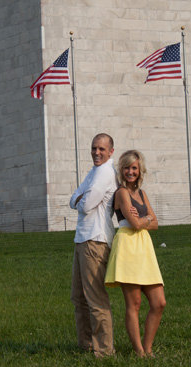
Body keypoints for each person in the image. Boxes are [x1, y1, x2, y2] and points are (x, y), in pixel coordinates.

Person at [104, 150, 166, 357]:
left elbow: (154, 223)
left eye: (134, 168)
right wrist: (146, 219)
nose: (131, 172)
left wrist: (145, 220)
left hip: (144, 247)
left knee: (159, 303)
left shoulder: (141, 194)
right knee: (135, 303)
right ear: (121, 170)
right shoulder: (121, 193)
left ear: (140, 171)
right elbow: (136, 223)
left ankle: (148, 348)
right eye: (127, 168)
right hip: (127, 246)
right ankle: (139, 351)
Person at [69, 133, 117, 357]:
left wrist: (80, 198)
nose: (96, 152)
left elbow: (86, 204)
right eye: (93, 148)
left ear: (111, 152)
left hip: (95, 240)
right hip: (82, 239)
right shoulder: (94, 172)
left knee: (95, 299)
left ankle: (105, 351)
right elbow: (74, 198)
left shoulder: (106, 172)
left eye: (101, 149)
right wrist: (79, 198)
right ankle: (86, 344)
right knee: (79, 297)